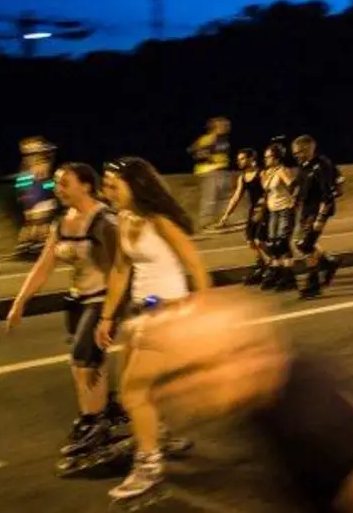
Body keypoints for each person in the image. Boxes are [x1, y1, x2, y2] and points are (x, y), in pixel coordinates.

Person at [131, 291, 353, 512]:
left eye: (193, 370)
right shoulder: (275, 387)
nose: (181, 388)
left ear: (243, 356)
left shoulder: (313, 420)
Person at [94, 157, 212, 501]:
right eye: (106, 184)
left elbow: (196, 267)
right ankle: (156, 434)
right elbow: (119, 270)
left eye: (113, 184)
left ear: (135, 184)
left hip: (168, 312)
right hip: (140, 312)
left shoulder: (159, 220)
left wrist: (201, 314)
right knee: (133, 388)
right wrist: (106, 317)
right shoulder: (123, 219)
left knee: (134, 392)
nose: (107, 190)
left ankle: (149, 464)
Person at [4, 163, 129, 467]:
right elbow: (44, 266)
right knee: (88, 362)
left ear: (86, 186)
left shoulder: (104, 221)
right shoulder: (61, 223)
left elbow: (121, 269)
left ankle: (93, 422)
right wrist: (20, 302)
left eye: (65, 184)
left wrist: (109, 315)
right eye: (57, 184)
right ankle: (101, 413)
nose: (58, 190)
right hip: (76, 299)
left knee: (82, 360)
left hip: (101, 299)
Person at [290, 136, 344, 300]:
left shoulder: (322, 166)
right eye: (295, 153)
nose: (297, 156)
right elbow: (299, 183)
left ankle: (313, 284)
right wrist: (295, 195)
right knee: (300, 243)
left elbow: (328, 195)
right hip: (307, 210)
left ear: (309, 149)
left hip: (319, 210)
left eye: (299, 152)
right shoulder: (304, 165)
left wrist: (320, 218)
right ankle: (328, 262)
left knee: (306, 245)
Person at [218, 149, 269, 283]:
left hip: (264, 210)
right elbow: (236, 197)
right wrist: (226, 215)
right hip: (253, 211)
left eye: (242, 159)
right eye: (239, 159)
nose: (239, 161)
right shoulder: (243, 177)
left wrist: (262, 209)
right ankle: (262, 265)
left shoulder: (261, 173)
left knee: (259, 240)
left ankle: (274, 264)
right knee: (250, 241)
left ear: (251, 159)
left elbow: (268, 193)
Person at [260, 142, 301, 292]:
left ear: (276, 158)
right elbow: (268, 192)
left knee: (282, 243)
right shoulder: (268, 173)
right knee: (272, 244)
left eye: (268, 157)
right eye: (265, 157)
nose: (265, 159)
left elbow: (295, 186)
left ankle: (290, 278)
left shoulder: (282, 171)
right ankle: (278, 274)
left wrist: (293, 202)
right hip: (273, 212)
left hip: (284, 210)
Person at [15, 137, 59, 259]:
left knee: (36, 223)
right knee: (36, 223)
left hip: (37, 193)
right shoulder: (32, 168)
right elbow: (40, 182)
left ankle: (30, 246)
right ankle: (29, 247)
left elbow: (45, 182)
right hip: (35, 193)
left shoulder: (33, 166)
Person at [189, 117, 233, 231]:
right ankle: (206, 223)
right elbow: (195, 151)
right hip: (209, 171)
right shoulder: (208, 139)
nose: (227, 127)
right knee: (210, 198)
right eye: (224, 125)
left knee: (222, 198)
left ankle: (219, 221)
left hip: (221, 170)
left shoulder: (222, 139)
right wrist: (209, 159)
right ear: (215, 127)